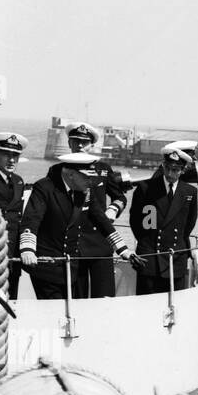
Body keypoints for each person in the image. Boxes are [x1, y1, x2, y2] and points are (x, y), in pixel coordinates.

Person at [19, 151, 134, 300]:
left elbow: (101, 220)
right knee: (55, 310)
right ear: (71, 175)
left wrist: (123, 250)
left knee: (70, 309)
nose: (91, 182)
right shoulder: (45, 187)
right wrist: (27, 249)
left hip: (69, 267)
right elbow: (31, 220)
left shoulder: (84, 191)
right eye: (87, 177)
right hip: (47, 265)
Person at [65, 121, 129, 297]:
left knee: (104, 294)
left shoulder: (103, 169)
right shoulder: (60, 170)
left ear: (91, 145)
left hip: (101, 240)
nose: (79, 145)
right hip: (74, 241)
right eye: (76, 141)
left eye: (84, 142)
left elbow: (120, 197)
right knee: (76, 296)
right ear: (69, 143)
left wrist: (112, 211)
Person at [129, 144, 198, 296]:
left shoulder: (190, 192)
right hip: (150, 257)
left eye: (175, 170)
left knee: (174, 305)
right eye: (167, 168)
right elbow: (135, 220)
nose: (170, 173)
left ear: (182, 170)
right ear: (163, 166)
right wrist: (146, 243)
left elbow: (189, 224)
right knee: (146, 305)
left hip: (175, 258)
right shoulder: (145, 188)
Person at [0, 130, 27, 299]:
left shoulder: (18, 181)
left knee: (12, 299)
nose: (11, 160)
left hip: (12, 253)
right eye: (6, 154)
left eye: (15, 155)